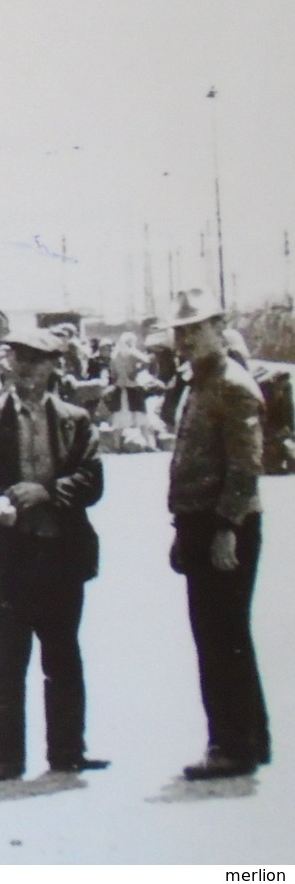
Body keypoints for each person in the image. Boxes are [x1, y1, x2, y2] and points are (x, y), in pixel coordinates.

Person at [0, 330, 109, 782]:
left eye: (35, 361)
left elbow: (92, 479)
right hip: (6, 557)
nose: (24, 370)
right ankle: (7, 757)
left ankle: (67, 750)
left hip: (59, 554)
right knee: (8, 658)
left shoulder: (75, 420)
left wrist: (46, 491)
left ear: (53, 367)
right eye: (17, 360)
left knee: (62, 654)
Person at [163, 290, 270, 780]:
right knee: (226, 635)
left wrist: (226, 528)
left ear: (220, 326)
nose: (185, 338)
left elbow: (246, 467)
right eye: (180, 330)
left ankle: (230, 746)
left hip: (223, 523)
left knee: (219, 636)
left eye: (195, 328)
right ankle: (251, 736)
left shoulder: (232, 384)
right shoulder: (199, 382)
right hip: (199, 521)